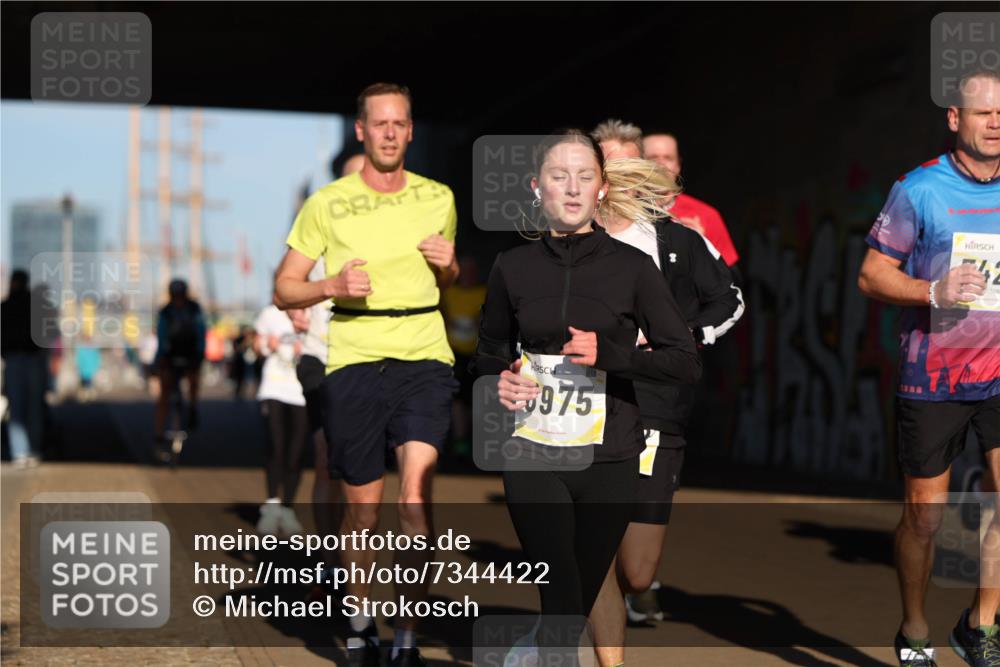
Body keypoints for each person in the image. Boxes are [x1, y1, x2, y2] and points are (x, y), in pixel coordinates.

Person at [471, 129, 701, 666]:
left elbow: (683, 361)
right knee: (559, 590)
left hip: (611, 454)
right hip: (533, 450)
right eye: (559, 176)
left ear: (600, 188)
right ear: (537, 188)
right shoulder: (513, 267)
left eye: (584, 176)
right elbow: (487, 349)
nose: (572, 188)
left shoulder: (632, 268)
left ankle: (537, 654)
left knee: (578, 596)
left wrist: (612, 353)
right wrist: (497, 377)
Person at [274, 82, 459, 667]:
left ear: (409, 130)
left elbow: (447, 280)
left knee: (414, 496)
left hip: (425, 353)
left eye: (399, 123)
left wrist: (449, 267)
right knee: (363, 508)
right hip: (354, 358)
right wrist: (329, 286)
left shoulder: (439, 197)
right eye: (377, 123)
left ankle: (405, 631)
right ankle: (358, 615)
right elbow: (284, 287)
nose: (388, 133)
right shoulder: (326, 203)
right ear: (361, 130)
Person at [588, 120, 745, 667]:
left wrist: (685, 338)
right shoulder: (566, 236)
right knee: (589, 545)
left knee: (637, 570)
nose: (620, 177)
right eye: (609, 167)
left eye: (632, 166)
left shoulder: (680, 239)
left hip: (656, 407)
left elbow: (729, 301)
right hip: (584, 404)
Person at [857, 69, 1000, 667]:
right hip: (933, 377)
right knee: (924, 519)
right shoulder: (918, 189)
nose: (995, 124)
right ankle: (915, 627)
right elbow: (871, 274)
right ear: (954, 118)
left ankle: (981, 622)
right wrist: (932, 289)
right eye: (983, 113)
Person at [641, 132, 740, 270]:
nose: (661, 165)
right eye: (653, 158)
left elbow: (729, 280)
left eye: (668, 158)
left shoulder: (706, 215)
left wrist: (701, 244)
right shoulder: (624, 211)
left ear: (678, 166)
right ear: (638, 164)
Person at [253, 302, 309, 536]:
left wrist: (305, 346)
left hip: (302, 391)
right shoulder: (269, 313)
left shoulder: (314, 314)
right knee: (276, 446)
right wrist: (267, 344)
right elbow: (256, 345)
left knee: (297, 452)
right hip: (274, 388)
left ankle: (287, 508)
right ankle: (272, 506)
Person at [1, 269, 49, 467]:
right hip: (32, 359)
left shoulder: (5, 307)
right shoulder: (36, 306)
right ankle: (33, 449)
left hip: (15, 359)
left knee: (18, 408)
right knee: (33, 406)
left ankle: (20, 451)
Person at [441, 256, 486, 460]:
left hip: (478, 353)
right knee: (457, 398)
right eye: (464, 270)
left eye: (471, 270)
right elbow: (441, 314)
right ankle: (459, 441)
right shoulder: (449, 293)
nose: (468, 274)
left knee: (477, 398)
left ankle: (476, 440)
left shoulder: (484, 293)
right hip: (454, 352)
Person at [153, 279, 206, 455]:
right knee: (189, 384)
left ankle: (160, 435)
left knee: (164, 396)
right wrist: (200, 355)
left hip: (172, 357)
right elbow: (201, 333)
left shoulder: (166, 311)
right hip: (188, 356)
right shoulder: (193, 309)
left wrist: (159, 359)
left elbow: (161, 338)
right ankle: (192, 408)